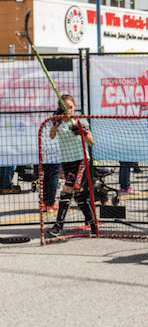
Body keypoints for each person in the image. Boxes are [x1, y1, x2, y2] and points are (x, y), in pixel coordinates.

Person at [46, 95, 96, 237]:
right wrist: (55, 124)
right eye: (65, 108)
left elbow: (91, 142)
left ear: (74, 107)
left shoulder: (80, 121)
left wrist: (82, 132)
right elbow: (51, 136)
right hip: (67, 162)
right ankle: (93, 224)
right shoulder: (59, 122)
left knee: (68, 189)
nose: (68, 110)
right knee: (79, 195)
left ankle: (58, 226)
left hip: (81, 160)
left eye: (70, 107)